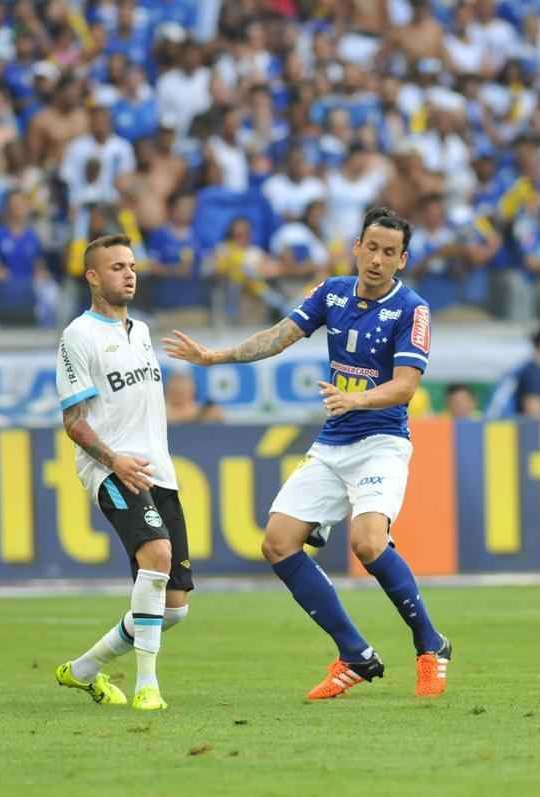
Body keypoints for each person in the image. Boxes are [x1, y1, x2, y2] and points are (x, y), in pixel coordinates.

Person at [162, 207, 451, 700]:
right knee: (277, 542)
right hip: (334, 441)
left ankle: (430, 644)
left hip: (381, 442)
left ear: (402, 260)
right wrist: (216, 356)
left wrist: (355, 398)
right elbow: (279, 336)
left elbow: (404, 388)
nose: (377, 260)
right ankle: (355, 653)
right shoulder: (331, 292)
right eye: (371, 248)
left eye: (389, 253)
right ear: (356, 247)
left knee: (368, 542)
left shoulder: (412, 310)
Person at [54, 234, 191, 712]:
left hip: (159, 472)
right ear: (92, 276)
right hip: (113, 469)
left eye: (131, 265)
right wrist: (115, 461)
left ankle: (83, 670)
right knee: (157, 555)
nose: (128, 273)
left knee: (173, 609)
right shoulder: (79, 335)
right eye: (116, 267)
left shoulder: (143, 331)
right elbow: (73, 421)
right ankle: (147, 686)